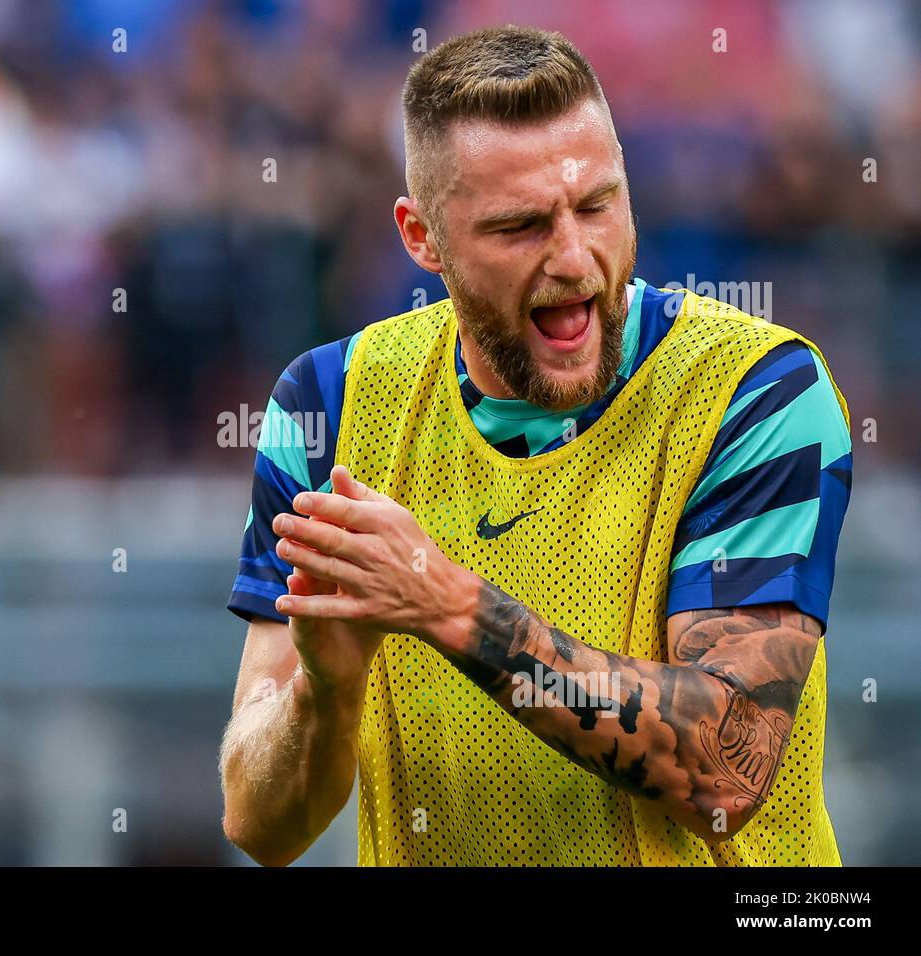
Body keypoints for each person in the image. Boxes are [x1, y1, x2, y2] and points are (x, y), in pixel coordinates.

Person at [219, 25, 852, 866]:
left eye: (597, 205)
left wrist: (450, 608)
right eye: (519, 226)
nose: (574, 259)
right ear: (422, 238)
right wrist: (324, 700)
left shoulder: (759, 392)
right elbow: (258, 827)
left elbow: (728, 769)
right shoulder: (326, 408)